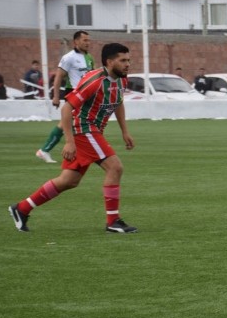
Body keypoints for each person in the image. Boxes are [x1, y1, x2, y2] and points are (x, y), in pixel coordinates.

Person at [9, 43, 137, 234]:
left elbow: (118, 102)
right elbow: (66, 107)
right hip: (84, 130)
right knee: (115, 167)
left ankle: (22, 208)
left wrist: (124, 131)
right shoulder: (94, 81)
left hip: (93, 131)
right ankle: (113, 221)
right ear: (109, 62)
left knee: (69, 180)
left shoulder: (121, 80)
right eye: (123, 60)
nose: (128, 64)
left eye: (128, 60)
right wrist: (69, 141)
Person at [36, 30, 95, 164]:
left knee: (69, 123)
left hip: (85, 96)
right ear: (76, 42)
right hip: (73, 94)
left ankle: (46, 150)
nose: (87, 43)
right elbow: (58, 78)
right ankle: (45, 150)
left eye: (88, 40)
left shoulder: (90, 57)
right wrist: (56, 97)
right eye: (84, 40)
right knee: (68, 123)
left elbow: (91, 78)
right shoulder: (68, 57)